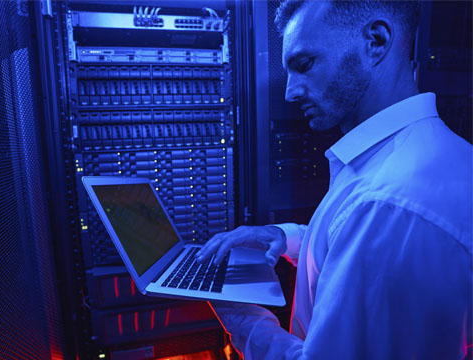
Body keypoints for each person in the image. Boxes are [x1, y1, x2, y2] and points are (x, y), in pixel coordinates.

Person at [196, 0, 472, 358]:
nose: (290, 92)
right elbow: (357, 243)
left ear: (376, 40)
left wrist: (242, 317)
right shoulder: (424, 155)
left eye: (305, 65)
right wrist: (287, 238)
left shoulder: (388, 205)